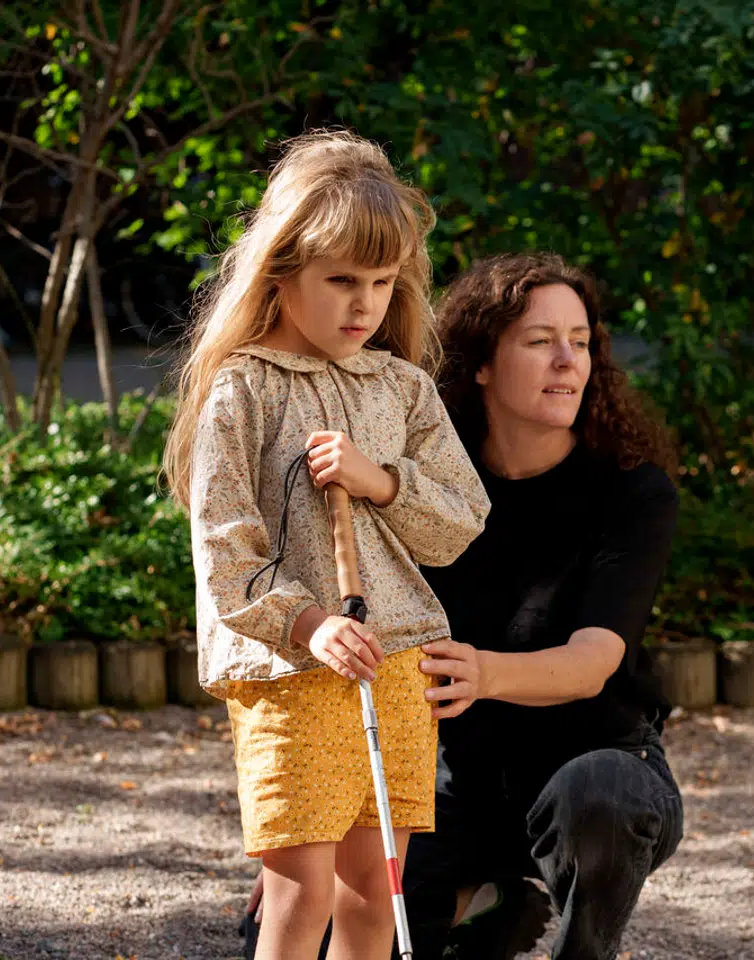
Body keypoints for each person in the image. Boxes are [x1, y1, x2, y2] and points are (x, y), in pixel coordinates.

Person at [242, 251, 683, 960]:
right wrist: (309, 835)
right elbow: (352, 650)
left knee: (600, 796)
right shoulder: (424, 489)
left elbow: (594, 661)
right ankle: (486, 906)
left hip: (595, 766)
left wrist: (484, 672)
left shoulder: (633, 491)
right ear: (480, 363)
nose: (567, 361)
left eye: (581, 342)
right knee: (302, 920)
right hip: (455, 783)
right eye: (540, 341)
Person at [164, 131, 490, 960]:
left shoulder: (403, 388)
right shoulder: (244, 387)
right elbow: (225, 553)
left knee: (375, 896)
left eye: (383, 283)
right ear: (281, 272)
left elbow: (461, 521)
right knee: (300, 894)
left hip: (397, 662)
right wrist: (309, 624)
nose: (364, 304)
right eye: (342, 280)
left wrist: (382, 481)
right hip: (291, 672)